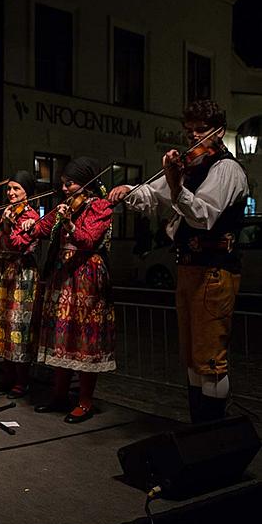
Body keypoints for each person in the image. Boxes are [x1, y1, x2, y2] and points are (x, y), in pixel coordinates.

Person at [109, 100, 248, 423]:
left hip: (215, 270)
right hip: (188, 268)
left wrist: (176, 187)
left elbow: (202, 215)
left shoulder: (226, 169)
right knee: (191, 354)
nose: (193, 138)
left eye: (200, 130)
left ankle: (212, 429)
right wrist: (128, 190)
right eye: (189, 131)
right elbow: (153, 195)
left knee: (210, 357)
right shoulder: (191, 166)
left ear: (217, 131)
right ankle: (197, 425)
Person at [20, 157, 115, 423]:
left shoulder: (100, 206)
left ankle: (85, 402)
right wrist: (30, 225)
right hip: (62, 276)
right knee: (60, 337)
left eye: (69, 184)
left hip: (87, 278)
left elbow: (88, 239)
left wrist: (70, 224)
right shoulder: (66, 206)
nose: (64, 189)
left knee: (84, 339)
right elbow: (42, 228)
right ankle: (59, 394)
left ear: (85, 184)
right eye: (63, 184)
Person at [0, 171, 40, 399]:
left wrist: (8, 226)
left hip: (21, 273)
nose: (11, 193)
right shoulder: (5, 212)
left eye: (17, 189)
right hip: (1, 269)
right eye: (9, 189)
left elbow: (18, 244)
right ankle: (6, 376)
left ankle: (22, 379)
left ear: (27, 191)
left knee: (19, 325)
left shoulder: (30, 215)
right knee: (2, 322)